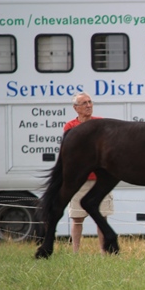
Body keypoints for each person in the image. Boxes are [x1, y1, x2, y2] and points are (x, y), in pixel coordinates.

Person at [63, 92, 114, 253]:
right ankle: (76, 252)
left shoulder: (100, 123)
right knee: (77, 218)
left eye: (90, 102)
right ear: (75, 108)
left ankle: (103, 251)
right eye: (84, 103)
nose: (88, 105)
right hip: (79, 180)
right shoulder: (70, 127)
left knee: (102, 217)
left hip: (100, 179)